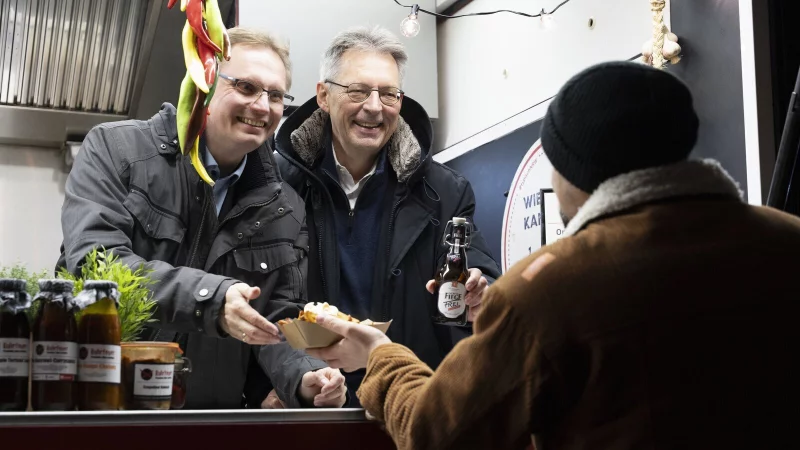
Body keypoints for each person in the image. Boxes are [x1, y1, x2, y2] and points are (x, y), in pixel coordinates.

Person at [306, 61, 800, 449]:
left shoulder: (547, 290)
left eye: (388, 92)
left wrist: (381, 357)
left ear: (567, 169)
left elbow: (436, 433)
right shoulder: (785, 239)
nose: (375, 106)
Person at [57, 27, 346, 409]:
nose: (262, 106)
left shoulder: (286, 206)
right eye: (245, 87)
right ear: (204, 84)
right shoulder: (115, 150)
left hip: (209, 421)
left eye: (276, 95)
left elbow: (279, 316)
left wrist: (307, 375)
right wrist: (212, 297)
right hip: (106, 407)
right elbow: (95, 265)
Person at [273, 25, 501, 403]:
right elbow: (262, 300)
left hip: (409, 401)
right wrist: (279, 382)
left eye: (388, 93)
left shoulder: (445, 192)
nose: (374, 107)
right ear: (324, 96)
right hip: (311, 398)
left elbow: (475, 269)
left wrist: (482, 289)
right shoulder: (279, 186)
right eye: (358, 91)